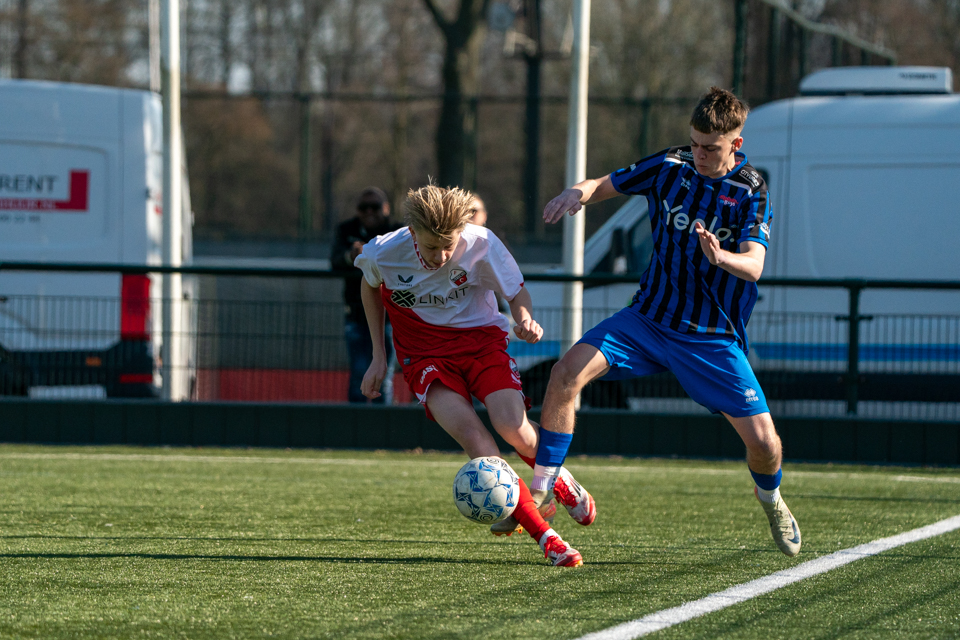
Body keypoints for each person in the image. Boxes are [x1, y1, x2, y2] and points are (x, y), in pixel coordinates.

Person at [531, 87, 801, 557]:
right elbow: (605, 184)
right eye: (694, 142)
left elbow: (755, 265)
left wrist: (722, 258)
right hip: (647, 321)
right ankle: (543, 487)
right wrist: (578, 193)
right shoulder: (671, 166)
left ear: (736, 144)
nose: (698, 153)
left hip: (709, 337)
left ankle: (771, 497)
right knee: (564, 373)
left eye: (710, 147)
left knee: (766, 443)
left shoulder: (750, 190)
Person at [355, 184, 594, 567]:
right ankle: (548, 539)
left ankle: (558, 476)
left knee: (512, 428)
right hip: (425, 356)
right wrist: (378, 356)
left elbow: (517, 294)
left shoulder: (481, 242)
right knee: (476, 441)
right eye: (432, 248)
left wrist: (525, 319)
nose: (442, 255)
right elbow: (369, 287)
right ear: (413, 233)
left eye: (448, 245)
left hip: (482, 344)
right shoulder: (386, 251)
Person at [331, 187, 402, 403]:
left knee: (385, 377)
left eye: (375, 207)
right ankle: (357, 429)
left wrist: (374, 257)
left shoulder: (397, 231)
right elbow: (335, 261)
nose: (369, 211)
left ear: (387, 209)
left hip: (390, 316)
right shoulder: (346, 229)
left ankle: (385, 428)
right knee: (359, 374)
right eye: (363, 207)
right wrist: (351, 256)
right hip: (356, 313)